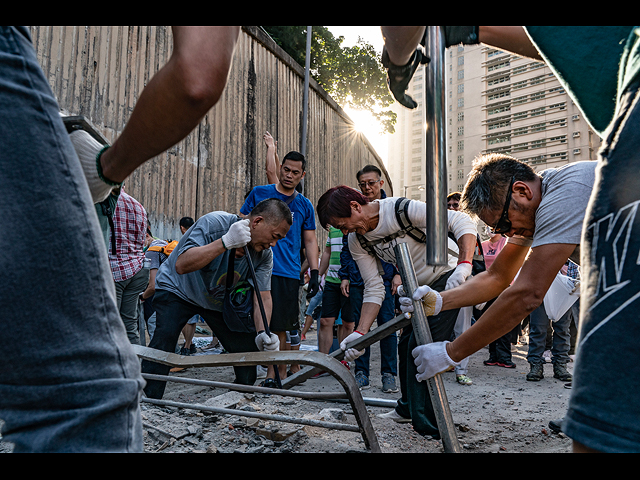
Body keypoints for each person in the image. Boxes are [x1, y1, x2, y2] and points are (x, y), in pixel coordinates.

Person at [386, 25, 640, 453]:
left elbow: (525, 294)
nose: (506, 234)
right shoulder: (532, 214)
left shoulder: (564, 195)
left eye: (503, 224)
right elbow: (499, 278)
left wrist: (451, 351)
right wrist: (440, 301)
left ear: (521, 191)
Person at [0, 25, 239, 452]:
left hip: (125, 271)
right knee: (85, 394)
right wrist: (106, 169)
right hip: (134, 273)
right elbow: (197, 77)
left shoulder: (129, 208)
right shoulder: (178, 217)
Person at [315, 185, 478, 438]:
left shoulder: (401, 210)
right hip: (415, 287)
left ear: (355, 207)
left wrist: (465, 265)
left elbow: (460, 221)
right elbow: (374, 288)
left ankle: (430, 427)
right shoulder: (357, 240)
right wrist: (361, 332)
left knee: (424, 346)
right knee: (405, 347)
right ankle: (406, 409)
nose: (345, 232)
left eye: (344, 225)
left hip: (447, 276)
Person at [140, 198, 292, 399]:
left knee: (245, 347)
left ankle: (241, 398)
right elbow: (181, 265)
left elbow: (262, 297)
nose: (273, 243)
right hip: (179, 288)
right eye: (274, 236)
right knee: (164, 338)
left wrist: (263, 332)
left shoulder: (264, 255)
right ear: (257, 222)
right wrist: (224, 243)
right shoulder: (214, 224)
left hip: (216, 299)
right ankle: (148, 400)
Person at [240, 149, 320, 387]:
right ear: (280, 168)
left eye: (295, 172)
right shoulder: (260, 193)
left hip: (286, 271)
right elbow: (243, 220)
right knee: (255, 323)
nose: (289, 175)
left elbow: (310, 240)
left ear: (302, 175)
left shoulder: (304, 205)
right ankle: (255, 370)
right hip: (254, 266)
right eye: (286, 169)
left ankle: (278, 374)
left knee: (281, 326)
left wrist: (314, 272)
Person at [342, 164, 401, 393]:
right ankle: (361, 372)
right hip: (358, 278)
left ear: (380, 183)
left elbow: (400, 245)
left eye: (371, 183)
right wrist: (345, 275)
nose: (367, 188)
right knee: (360, 327)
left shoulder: (392, 210)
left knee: (387, 326)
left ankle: (389, 374)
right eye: (363, 184)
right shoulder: (354, 209)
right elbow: (348, 244)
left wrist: (397, 273)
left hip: (386, 278)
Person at [109, 187, 150, 345]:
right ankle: (135, 366)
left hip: (115, 270)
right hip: (137, 268)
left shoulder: (105, 203)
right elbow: (142, 241)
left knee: (110, 324)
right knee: (129, 324)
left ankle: (111, 367)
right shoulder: (138, 205)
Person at [480, 227, 518, 369]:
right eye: (490, 228)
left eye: (495, 228)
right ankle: (493, 355)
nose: (492, 230)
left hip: (505, 287)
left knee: (504, 322)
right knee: (490, 322)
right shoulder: (483, 245)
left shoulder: (506, 242)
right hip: (488, 288)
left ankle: (504, 356)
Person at [446, 191, 474, 385]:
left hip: (463, 284)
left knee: (462, 329)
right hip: (439, 283)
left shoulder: (470, 231)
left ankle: (461, 370)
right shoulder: (435, 230)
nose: (452, 208)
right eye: (448, 205)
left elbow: (477, 261)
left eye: (456, 205)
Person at [317, 227, 355, 358]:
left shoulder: (353, 226)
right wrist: (319, 274)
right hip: (331, 280)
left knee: (348, 323)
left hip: (351, 281)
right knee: (325, 321)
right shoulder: (332, 229)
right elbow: (327, 252)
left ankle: (345, 360)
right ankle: (322, 362)